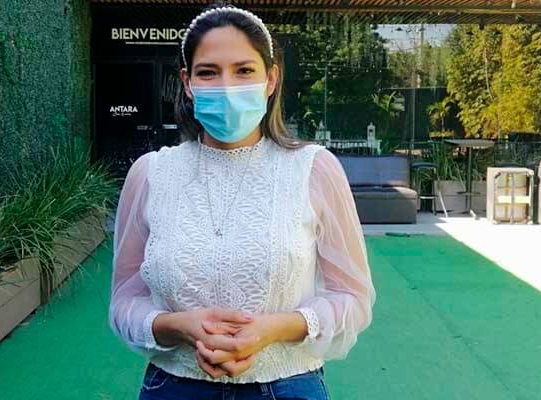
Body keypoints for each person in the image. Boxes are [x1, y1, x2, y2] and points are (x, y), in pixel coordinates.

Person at [108, 4, 376, 399]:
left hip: (289, 386)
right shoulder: (151, 174)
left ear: (271, 79)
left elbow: (352, 299)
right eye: (208, 72)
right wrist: (176, 326)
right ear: (187, 82)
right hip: (175, 387)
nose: (227, 87)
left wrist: (277, 328)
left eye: (244, 70)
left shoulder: (313, 169)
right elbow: (124, 301)